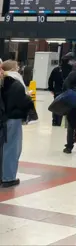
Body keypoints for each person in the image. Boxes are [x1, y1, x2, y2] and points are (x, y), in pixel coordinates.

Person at [1, 60, 33, 188]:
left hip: (3, 118)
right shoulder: (15, 81)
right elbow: (21, 100)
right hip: (12, 118)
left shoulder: (4, 82)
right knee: (12, 147)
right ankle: (8, 177)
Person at [48, 54, 74, 126]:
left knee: (57, 106)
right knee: (67, 106)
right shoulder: (72, 70)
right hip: (68, 92)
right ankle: (65, 123)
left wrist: (51, 89)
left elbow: (50, 80)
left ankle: (55, 121)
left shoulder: (56, 69)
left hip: (57, 91)